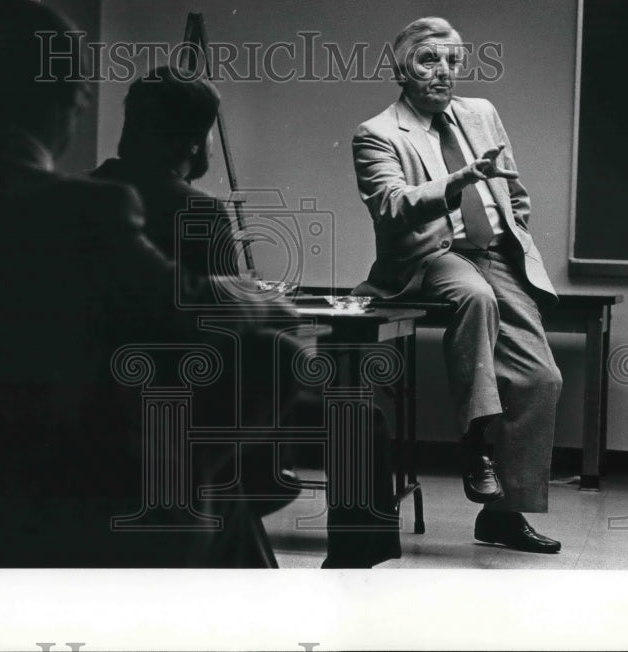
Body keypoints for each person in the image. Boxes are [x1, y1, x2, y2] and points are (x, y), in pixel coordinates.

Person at [0, 0, 286, 567]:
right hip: (52, 506)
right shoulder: (89, 208)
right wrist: (258, 303)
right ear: (68, 98)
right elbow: (189, 310)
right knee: (268, 361)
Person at [93, 65, 402, 568]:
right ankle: (353, 568)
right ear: (195, 142)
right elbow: (233, 333)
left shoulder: (86, 196)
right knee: (359, 421)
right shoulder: (201, 212)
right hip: (195, 408)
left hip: (105, 400)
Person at [351, 17, 563, 554]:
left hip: (493, 255)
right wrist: (458, 183)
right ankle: (474, 442)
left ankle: (502, 517)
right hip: (431, 256)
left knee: (542, 378)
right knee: (472, 294)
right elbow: (392, 207)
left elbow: (513, 188)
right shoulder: (377, 132)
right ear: (401, 67)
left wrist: (516, 224)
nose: (443, 72)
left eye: (452, 62)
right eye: (428, 60)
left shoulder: (482, 113)